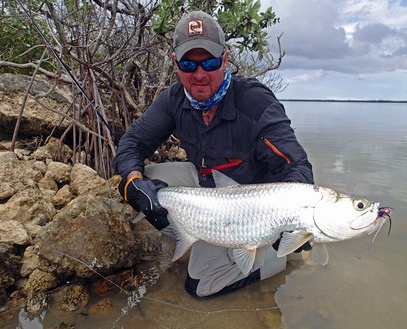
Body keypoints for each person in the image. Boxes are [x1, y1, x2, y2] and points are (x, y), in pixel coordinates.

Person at [113, 10, 314, 297]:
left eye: (209, 62)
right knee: (139, 184)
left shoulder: (255, 103)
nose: (199, 75)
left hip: (253, 211)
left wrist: (292, 222)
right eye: (188, 64)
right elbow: (132, 143)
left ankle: (275, 260)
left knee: (200, 287)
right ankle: (199, 235)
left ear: (225, 59)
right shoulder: (175, 99)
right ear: (175, 63)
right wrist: (134, 181)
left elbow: (297, 167)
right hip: (210, 194)